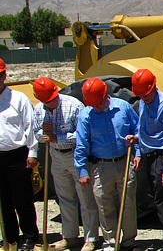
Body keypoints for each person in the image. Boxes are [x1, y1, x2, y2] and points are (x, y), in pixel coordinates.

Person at [32, 77, 100, 251]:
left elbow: (84, 135)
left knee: (85, 198)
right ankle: (70, 237)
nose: (52, 102)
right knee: (64, 198)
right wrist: (44, 134)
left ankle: (90, 238)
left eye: (54, 98)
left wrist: (59, 138)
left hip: (76, 155)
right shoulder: (39, 110)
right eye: (48, 101)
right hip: (55, 155)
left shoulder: (74, 105)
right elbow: (36, 133)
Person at [74, 78, 141, 251]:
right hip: (101, 167)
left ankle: (128, 241)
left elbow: (137, 130)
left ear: (105, 95)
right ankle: (111, 242)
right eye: (92, 104)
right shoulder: (86, 116)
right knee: (104, 204)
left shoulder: (123, 107)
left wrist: (138, 151)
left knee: (128, 202)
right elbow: (81, 145)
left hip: (124, 162)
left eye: (98, 103)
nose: (95, 107)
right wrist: (81, 170)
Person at [126, 69, 163, 251]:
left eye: (147, 94)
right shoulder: (143, 103)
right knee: (159, 202)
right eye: (141, 95)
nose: (144, 98)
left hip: (162, 158)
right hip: (150, 157)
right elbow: (142, 129)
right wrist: (139, 150)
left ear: (154, 87)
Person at [0, 58, 39, 251]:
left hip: (17, 156)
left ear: (4, 75)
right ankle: (10, 237)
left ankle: (30, 236)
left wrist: (32, 152)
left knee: (23, 199)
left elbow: (29, 126)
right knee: (3, 201)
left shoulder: (18, 99)